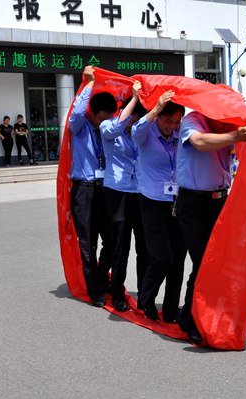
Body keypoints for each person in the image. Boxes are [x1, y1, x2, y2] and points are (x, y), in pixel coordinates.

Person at [175, 111, 246, 345]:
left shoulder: (229, 124)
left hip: (221, 202)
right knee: (204, 262)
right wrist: (235, 135)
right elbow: (200, 142)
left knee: (219, 262)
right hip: (193, 203)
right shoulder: (192, 121)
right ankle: (194, 321)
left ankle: (194, 316)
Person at [132, 90, 187, 323]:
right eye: (168, 120)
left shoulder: (179, 134)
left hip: (177, 202)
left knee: (178, 259)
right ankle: (145, 300)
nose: (172, 126)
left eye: (177, 122)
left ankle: (172, 309)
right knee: (161, 257)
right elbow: (136, 131)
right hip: (152, 201)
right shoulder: (146, 134)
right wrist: (155, 109)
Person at [69, 66, 117, 307]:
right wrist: (88, 84)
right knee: (87, 243)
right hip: (84, 189)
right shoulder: (79, 127)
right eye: (104, 118)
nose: (106, 124)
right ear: (94, 113)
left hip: (105, 187)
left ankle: (100, 277)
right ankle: (94, 289)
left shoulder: (106, 130)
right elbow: (76, 113)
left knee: (111, 240)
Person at [100, 80, 149, 312]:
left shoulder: (141, 134)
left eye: (138, 118)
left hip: (140, 193)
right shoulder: (109, 127)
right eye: (132, 117)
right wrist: (134, 100)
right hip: (117, 192)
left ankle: (143, 293)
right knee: (120, 246)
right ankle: (117, 292)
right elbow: (115, 128)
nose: (134, 123)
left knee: (144, 247)